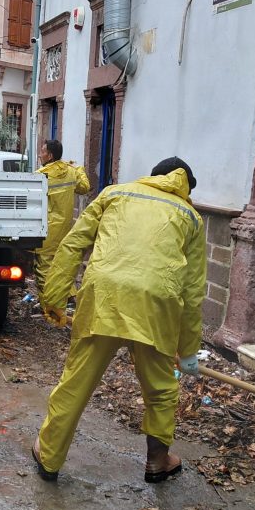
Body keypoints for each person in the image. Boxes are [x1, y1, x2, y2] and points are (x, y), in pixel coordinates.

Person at [31, 156, 206, 484]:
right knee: (161, 389)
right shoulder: (190, 216)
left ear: (152, 177)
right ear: (184, 188)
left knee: (76, 382)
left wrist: (54, 297)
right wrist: (187, 350)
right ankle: (157, 461)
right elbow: (193, 292)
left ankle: (50, 457)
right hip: (158, 304)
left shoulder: (115, 193)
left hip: (104, 299)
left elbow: (72, 245)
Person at [34, 138, 90, 293]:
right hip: (64, 229)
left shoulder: (40, 175)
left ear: (50, 156)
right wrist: (79, 169)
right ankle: (69, 295)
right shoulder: (71, 171)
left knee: (44, 269)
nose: (40, 154)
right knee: (60, 265)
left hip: (46, 230)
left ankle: (50, 303)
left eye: (43, 151)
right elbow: (85, 188)